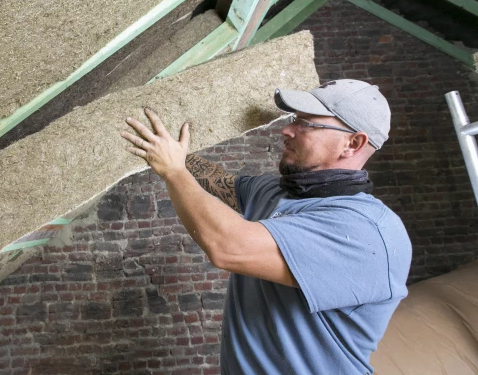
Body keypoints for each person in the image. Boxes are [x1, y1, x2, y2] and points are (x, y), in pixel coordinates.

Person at [120, 79, 412, 375]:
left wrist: (173, 170)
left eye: (307, 124)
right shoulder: (276, 191)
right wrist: (172, 151)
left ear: (353, 143)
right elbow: (223, 183)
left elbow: (228, 247)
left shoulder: (369, 232)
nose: (287, 130)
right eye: (294, 119)